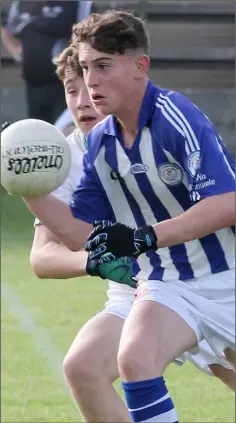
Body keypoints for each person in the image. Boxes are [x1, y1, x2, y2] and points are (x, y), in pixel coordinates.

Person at [19, 11, 235, 423]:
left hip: (227, 279)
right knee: (133, 359)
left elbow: (226, 203)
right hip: (162, 284)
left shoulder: (174, 116)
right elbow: (79, 232)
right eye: (83, 71)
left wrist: (143, 237)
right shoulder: (98, 144)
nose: (90, 86)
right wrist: (25, 185)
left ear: (140, 66)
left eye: (101, 67)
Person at [1, 1, 78, 124]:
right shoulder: (21, 3)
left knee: (63, 127)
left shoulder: (75, 3)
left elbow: (86, 30)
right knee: (39, 128)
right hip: (34, 82)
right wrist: (16, 52)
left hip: (64, 83)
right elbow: (6, 28)